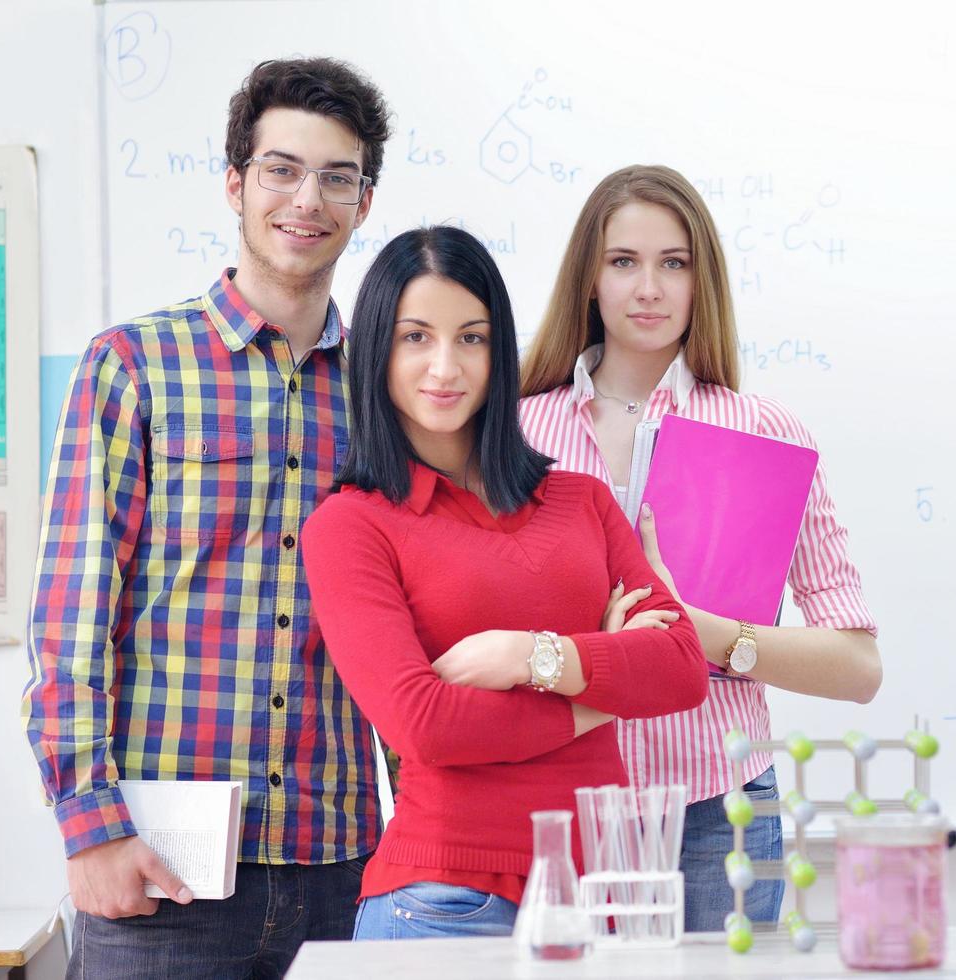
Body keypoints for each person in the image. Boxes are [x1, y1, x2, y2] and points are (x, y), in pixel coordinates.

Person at [21, 57, 390, 977]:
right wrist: (89, 827)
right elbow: (70, 624)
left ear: (364, 200)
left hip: (344, 870)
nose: (307, 198)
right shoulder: (133, 365)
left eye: (336, 177)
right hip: (161, 879)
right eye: (282, 169)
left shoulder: (389, 396)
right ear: (236, 183)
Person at [301, 225, 708, 940]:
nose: (445, 366)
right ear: (376, 354)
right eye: (415, 337)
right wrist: (600, 693)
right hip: (443, 903)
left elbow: (679, 669)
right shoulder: (350, 527)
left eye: (472, 337)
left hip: (602, 901)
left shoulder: (580, 501)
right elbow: (422, 723)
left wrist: (531, 656)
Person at [519, 164, 882, 931]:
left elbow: (858, 668)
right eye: (624, 262)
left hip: (720, 810)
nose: (648, 288)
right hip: (557, 802)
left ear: (701, 280)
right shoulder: (519, 435)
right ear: (590, 277)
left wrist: (704, 633)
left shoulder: (760, 431)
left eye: (673, 263)